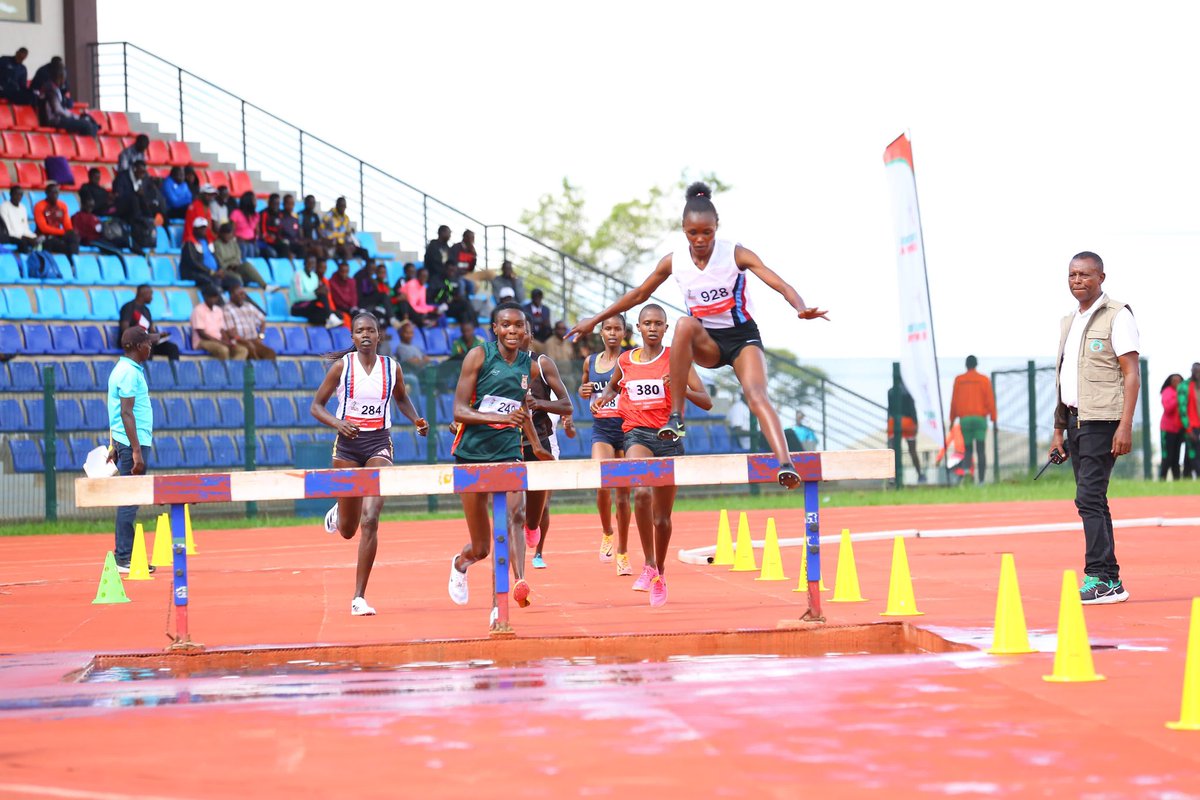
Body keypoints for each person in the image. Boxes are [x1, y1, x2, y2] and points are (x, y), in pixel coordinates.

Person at [568, 182, 827, 489]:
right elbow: (639, 294)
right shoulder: (674, 261)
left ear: (717, 228)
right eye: (694, 233)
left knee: (757, 395)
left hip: (742, 338)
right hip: (707, 341)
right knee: (684, 324)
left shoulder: (736, 254)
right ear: (684, 230)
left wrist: (799, 307)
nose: (701, 239)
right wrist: (594, 320)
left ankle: (786, 463)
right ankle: (676, 417)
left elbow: (779, 282)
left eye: (707, 232)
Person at [589, 304, 712, 606]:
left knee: (662, 519)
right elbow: (614, 387)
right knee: (640, 492)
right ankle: (647, 563)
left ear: (666, 329)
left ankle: (660, 570)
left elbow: (706, 401)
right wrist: (603, 398)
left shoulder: (676, 359)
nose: (653, 328)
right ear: (639, 328)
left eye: (658, 323)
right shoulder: (626, 359)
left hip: (669, 440)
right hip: (637, 435)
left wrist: (680, 385)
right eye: (647, 323)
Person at [311, 311, 429, 616]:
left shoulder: (392, 368)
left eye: (371, 330)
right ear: (352, 338)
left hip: (378, 443)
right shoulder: (342, 368)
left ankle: (358, 597)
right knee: (349, 530)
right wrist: (338, 423)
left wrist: (416, 418)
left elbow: (401, 398)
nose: (365, 335)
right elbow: (316, 406)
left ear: (379, 336)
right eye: (360, 331)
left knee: (370, 518)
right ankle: (340, 511)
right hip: (348, 447)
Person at [447, 303, 551, 629]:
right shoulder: (478, 356)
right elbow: (460, 410)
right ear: (495, 328)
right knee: (481, 547)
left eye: (518, 326)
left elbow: (523, 410)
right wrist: (499, 417)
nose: (512, 331)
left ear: (525, 330)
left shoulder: (529, 366)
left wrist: (535, 445)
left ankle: (501, 601)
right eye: (505, 325)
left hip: (509, 451)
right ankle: (461, 563)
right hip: (472, 454)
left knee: (513, 519)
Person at [1049, 251, 1139, 605]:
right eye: (1072, 275)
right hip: (1075, 420)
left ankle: (1101, 576)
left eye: (1085, 275)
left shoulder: (1117, 316)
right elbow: (1062, 378)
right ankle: (1109, 579)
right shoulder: (1069, 322)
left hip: (1105, 421)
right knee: (1094, 499)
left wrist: (1125, 425)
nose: (1077, 281)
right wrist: (1059, 430)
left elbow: (1131, 373)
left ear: (1101, 277)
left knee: (1087, 497)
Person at [578, 314, 632, 573]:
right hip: (602, 428)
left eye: (617, 329)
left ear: (624, 332)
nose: (612, 333)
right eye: (607, 328)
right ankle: (607, 532)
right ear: (600, 333)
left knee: (623, 496)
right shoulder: (591, 361)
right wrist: (583, 391)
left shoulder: (631, 359)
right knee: (601, 483)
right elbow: (584, 387)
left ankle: (622, 552)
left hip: (627, 429)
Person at [106, 327, 160, 575]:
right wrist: (135, 451)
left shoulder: (124, 369)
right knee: (130, 499)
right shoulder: (128, 373)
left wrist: (113, 443)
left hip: (126, 441)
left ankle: (125, 555)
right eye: (148, 344)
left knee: (130, 498)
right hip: (132, 443)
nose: (151, 347)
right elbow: (125, 413)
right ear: (138, 347)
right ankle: (124, 557)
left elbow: (115, 410)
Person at [521, 333, 574, 571]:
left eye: (521, 329)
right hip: (510, 441)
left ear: (531, 338)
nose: (514, 333)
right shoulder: (495, 366)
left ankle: (539, 550)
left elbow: (566, 404)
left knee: (543, 502)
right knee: (513, 502)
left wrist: (539, 404)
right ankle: (516, 561)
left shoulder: (542, 365)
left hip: (545, 438)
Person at [949, 355, 997, 483]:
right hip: (980, 419)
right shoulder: (984, 380)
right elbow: (990, 401)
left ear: (966, 365)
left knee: (968, 450)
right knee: (981, 450)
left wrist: (952, 419)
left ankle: (966, 475)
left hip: (965, 420)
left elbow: (954, 401)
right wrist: (994, 418)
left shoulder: (959, 380)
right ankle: (981, 481)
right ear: (976, 364)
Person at [118, 284, 181, 362]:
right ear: (144, 294)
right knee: (147, 346)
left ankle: (174, 373)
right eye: (151, 294)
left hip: (146, 340)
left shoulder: (146, 310)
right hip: (132, 342)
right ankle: (147, 372)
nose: (152, 297)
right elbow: (125, 330)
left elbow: (151, 330)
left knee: (172, 348)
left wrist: (160, 335)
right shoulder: (128, 307)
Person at [190, 285, 248, 360]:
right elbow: (202, 334)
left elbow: (222, 330)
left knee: (242, 350)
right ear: (205, 297)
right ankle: (226, 370)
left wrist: (227, 341)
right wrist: (221, 342)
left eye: (215, 297)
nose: (214, 299)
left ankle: (233, 369)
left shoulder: (218, 310)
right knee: (223, 350)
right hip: (202, 341)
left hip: (219, 340)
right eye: (211, 297)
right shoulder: (198, 310)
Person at [38, 65, 96, 135]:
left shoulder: (55, 88)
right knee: (86, 125)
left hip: (59, 119)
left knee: (88, 121)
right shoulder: (50, 88)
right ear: (60, 77)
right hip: (53, 121)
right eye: (64, 78)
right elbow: (57, 109)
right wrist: (71, 115)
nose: (64, 81)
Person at [887, 380, 926, 484]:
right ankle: (920, 475)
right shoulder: (909, 392)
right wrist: (916, 424)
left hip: (893, 422)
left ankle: (891, 477)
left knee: (892, 450)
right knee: (912, 450)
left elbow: (889, 410)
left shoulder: (890, 391)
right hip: (908, 422)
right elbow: (912, 409)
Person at [179, 218, 234, 292]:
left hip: (211, 272)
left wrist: (220, 269)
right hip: (195, 273)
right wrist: (211, 272)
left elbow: (215, 257)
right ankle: (219, 301)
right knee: (209, 281)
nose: (203, 230)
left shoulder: (208, 242)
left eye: (205, 228)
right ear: (195, 229)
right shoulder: (189, 243)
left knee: (234, 281)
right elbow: (194, 263)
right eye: (201, 228)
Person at [223, 285, 276, 360]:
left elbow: (263, 321)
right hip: (239, 342)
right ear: (232, 295)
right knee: (252, 351)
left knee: (270, 353)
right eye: (240, 294)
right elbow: (232, 334)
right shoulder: (227, 309)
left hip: (254, 340)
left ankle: (269, 371)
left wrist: (260, 337)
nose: (243, 296)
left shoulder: (249, 306)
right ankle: (258, 369)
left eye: (244, 294)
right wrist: (247, 342)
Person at [290, 256, 342, 328]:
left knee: (338, 315)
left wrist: (319, 291)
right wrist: (316, 293)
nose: (311, 265)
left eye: (313, 263)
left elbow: (314, 292)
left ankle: (329, 317)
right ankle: (329, 316)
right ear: (305, 263)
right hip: (298, 307)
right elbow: (299, 296)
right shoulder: (298, 275)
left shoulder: (314, 276)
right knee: (321, 295)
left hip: (310, 307)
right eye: (309, 263)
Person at [212, 222, 268, 287]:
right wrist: (231, 263)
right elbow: (220, 262)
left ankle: (265, 286)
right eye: (226, 233)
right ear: (222, 233)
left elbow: (238, 256)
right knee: (237, 278)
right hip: (225, 270)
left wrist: (233, 262)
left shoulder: (233, 242)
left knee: (247, 265)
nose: (228, 235)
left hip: (236, 267)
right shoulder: (217, 244)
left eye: (229, 233)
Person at [33, 182, 78, 256]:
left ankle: (73, 259)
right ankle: (71, 259)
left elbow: (67, 225)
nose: (55, 195)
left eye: (56, 193)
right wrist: (63, 232)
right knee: (56, 243)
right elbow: (44, 228)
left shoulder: (62, 205)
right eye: (52, 193)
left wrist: (68, 233)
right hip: (45, 236)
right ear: (46, 193)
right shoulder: (39, 206)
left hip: (57, 235)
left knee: (73, 236)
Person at [1159, 373, 1185, 481]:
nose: (1177, 383)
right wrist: (1178, 397)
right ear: (1170, 382)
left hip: (1179, 429)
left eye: (1179, 380)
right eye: (1174, 380)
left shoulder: (1183, 393)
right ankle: (1162, 478)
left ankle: (1177, 480)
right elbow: (1168, 408)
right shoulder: (1167, 392)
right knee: (1167, 457)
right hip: (1167, 429)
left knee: (1176, 457)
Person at [1179, 363, 1200, 479]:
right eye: (1196, 371)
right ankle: (1197, 475)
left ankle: (1186, 476)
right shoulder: (1184, 386)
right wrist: (1188, 429)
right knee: (1194, 453)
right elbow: (1182, 410)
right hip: (1191, 426)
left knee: (1190, 453)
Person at [0, 187, 37, 253]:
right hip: (10, 235)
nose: (18, 197)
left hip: (22, 235)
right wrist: (22, 237)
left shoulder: (23, 207)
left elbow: (25, 226)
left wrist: (31, 236)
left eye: (20, 195)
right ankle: (23, 260)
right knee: (23, 243)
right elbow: (7, 228)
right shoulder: (4, 207)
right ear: (10, 194)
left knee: (37, 241)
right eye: (16, 194)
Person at [230, 191, 263, 260]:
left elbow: (256, 231)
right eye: (254, 200)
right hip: (239, 241)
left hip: (251, 242)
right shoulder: (236, 213)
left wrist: (255, 238)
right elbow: (232, 231)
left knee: (252, 249)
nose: (256, 203)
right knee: (244, 248)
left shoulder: (256, 215)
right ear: (248, 202)